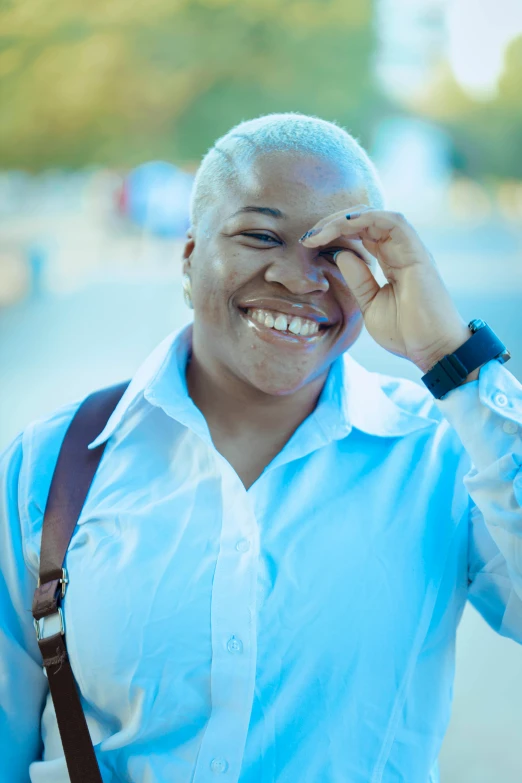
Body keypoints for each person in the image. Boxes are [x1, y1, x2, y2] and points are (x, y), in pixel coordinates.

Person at [1, 113, 521, 783]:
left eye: (337, 249)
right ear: (189, 253)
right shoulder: (51, 464)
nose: (300, 277)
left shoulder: (443, 455)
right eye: (260, 235)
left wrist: (453, 356)